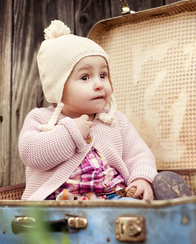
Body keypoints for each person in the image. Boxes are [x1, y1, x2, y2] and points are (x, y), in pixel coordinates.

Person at [18, 20, 158, 202]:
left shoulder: (114, 120)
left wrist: (141, 178)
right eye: (85, 77)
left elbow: (139, 154)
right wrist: (70, 132)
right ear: (58, 87)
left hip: (112, 200)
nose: (99, 84)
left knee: (135, 209)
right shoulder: (42, 120)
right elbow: (33, 155)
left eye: (103, 75)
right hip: (56, 205)